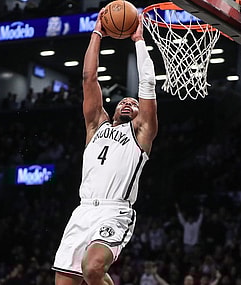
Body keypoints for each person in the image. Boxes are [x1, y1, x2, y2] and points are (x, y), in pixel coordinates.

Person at [51, 8, 158, 285]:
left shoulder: (142, 132)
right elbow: (89, 78)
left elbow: (147, 82)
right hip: (83, 210)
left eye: (134, 103)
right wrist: (97, 33)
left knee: (94, 267)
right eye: (124, 100)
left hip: (115, 210)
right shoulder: (96, 127)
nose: (128, 102)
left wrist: (138, 40)